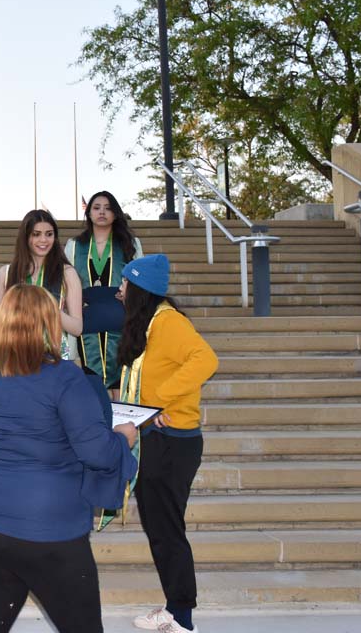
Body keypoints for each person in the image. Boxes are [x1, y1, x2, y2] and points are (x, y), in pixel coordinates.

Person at [0, 284, 139, 633]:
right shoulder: (64, 377)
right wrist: (122, 438)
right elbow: (96, 452)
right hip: (46, 526)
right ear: (48, 323)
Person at [116, 254, 218, 633]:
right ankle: (177, 609)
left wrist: (162, 399)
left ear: (140, 288)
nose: (119, 289)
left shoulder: (169, 322)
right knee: (161, 528)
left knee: (166, 529)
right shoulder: (150, 323)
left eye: (125, 282)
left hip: (171, 442)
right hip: (159, 439)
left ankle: (181, 615)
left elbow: (205, 360)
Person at [67, 191, 144, 396]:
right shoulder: (74, 245)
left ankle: (120, 423)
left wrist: (131, 295)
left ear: (116, 214)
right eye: (97, 207)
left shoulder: (130, 243)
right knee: (93, 378)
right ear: (89, 213)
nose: (102, 212)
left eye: (108, 208)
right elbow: (65, 280)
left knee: (119, 377)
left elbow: (141, 278)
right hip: (87, 315)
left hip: (119, 314)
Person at [0, 209, 84, 368]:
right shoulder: (5, 273)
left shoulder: (67, 273)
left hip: (56, 359)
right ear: (26, 237)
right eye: (36, 234)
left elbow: (77, 328)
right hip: (16, 357)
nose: (43, 240)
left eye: (49, 234)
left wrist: (49, 309)